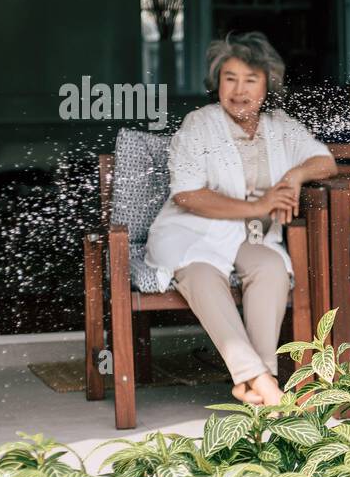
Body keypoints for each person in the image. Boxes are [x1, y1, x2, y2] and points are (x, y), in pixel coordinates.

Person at [145, 31, 338, 406]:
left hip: (251, 237)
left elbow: (324, 161)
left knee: (270, 267)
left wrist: (293, 178)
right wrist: (260, 205)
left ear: (268, 84)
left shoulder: (281, 127)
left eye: (251, 79)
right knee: (201, 274)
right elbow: (187, 193)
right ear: (217, 82)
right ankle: (260, 380)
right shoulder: (199, 124)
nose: (239, 90)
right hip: (191, 231)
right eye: (229, 78)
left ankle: (254, 382)